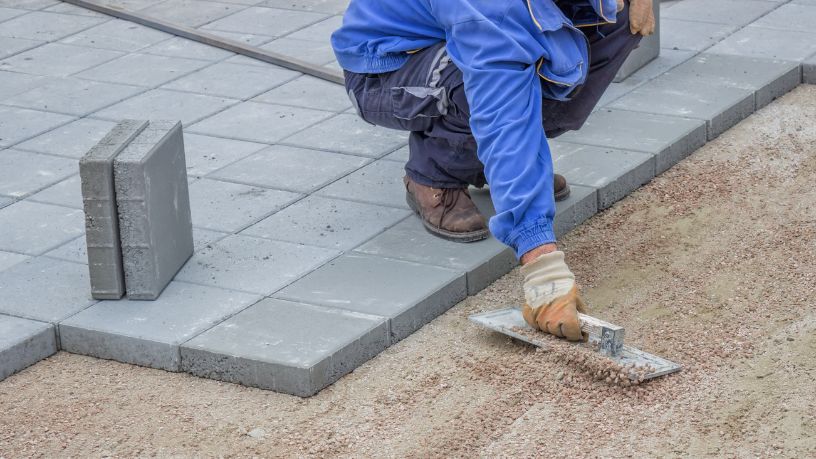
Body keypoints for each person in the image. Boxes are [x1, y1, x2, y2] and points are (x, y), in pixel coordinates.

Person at [331, 0, 655, 341]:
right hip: (388, 67)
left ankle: (506, 164)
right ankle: (433, 171)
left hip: (474, 29)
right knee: (484, 86)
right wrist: (542, 265)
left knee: (617, 17)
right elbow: (500, 106)